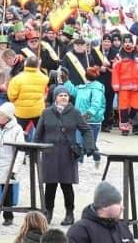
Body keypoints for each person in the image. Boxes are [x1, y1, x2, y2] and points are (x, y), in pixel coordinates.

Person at [35, 85, 95, 226]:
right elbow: (38, 134)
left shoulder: (75, 112)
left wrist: (88, 146)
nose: (63, 97)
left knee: (66, 186)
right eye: (60, 95)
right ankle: (48, 212)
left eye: (66, 95)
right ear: (55, 97)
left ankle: (70, 214)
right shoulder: (46, 112)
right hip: (50, 154)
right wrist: (33, 151)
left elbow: (87, 130)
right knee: (50, 186)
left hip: (67, 155)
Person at [66, 181, 134, 243]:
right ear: (104, 206)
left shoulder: (122, 227)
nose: (122, 207)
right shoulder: (80, 231)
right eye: (118, 203)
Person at [111, 34, 138, 135]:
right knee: (123, 108)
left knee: (136, 107)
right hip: (123, 86)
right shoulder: (119, 56)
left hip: (136, 86)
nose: (128, 44)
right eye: (126, 42)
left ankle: (128, 121)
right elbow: (115, 71)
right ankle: (124, 128)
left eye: (129, 42)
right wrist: (116, 85)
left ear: (133, 43)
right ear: (123, 44)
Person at [74, 66, 106, 168]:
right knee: (79, 142)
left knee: (91, 144)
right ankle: (78, 162)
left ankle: (96, 158)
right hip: (81, 120)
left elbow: (96, 105)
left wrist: (87, 115)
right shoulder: (81, 88)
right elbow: (72, 91)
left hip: (93, 121)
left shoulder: (97, 90)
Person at [7, 55, 49, 131]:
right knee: (40, 134)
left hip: (21, 113)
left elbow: (11, 96)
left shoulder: (17, 79)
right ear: (38, 65)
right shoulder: (45, 78)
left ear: (25, 64)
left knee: (17, 134)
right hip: (38, 111)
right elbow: (46, 94)